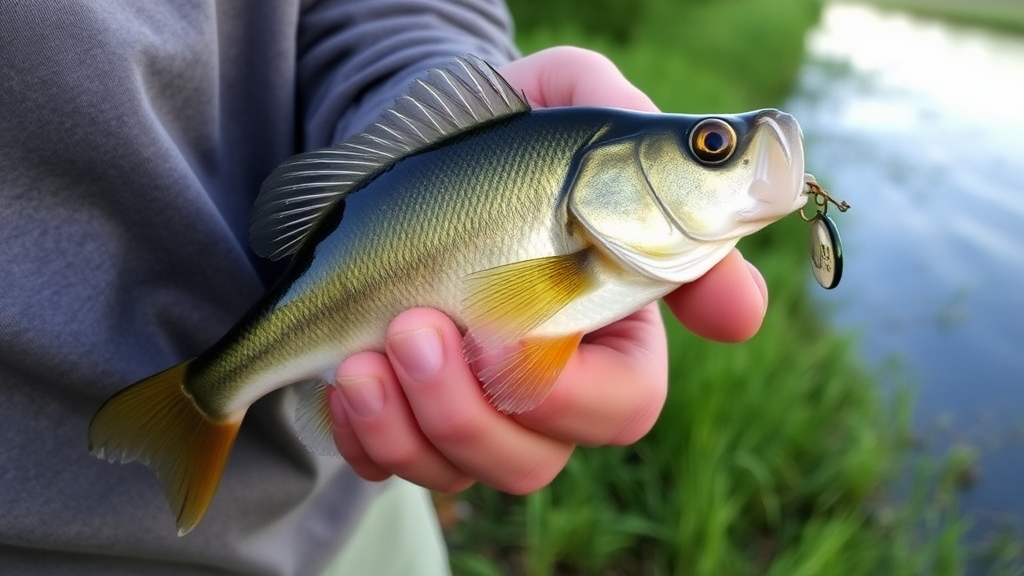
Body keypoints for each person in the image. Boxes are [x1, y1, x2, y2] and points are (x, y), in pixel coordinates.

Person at [0, 1, 769, 574]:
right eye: (711, 146)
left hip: (344, 513)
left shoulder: (590, 244)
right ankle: (204, 398)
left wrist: (407, 79)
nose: (737, 150)